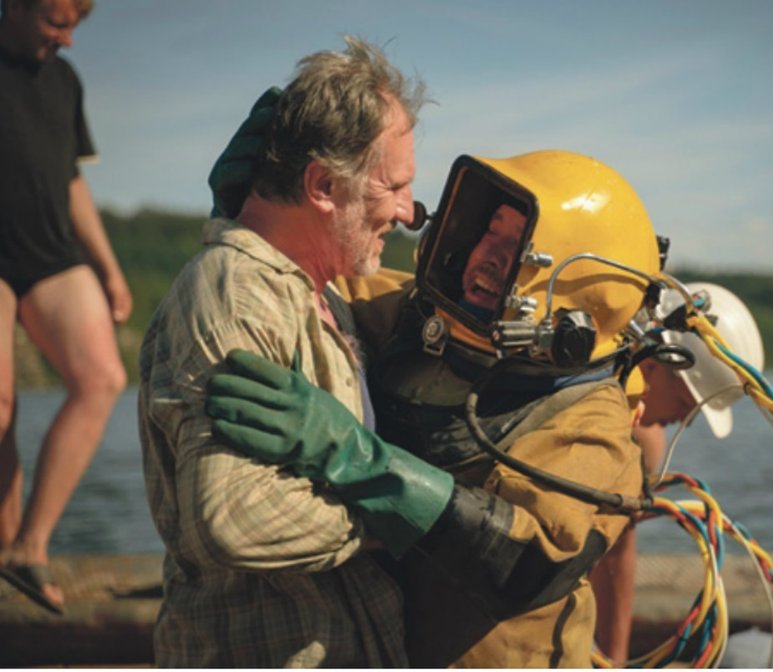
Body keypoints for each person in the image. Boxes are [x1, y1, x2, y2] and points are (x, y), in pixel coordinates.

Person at [205, 149, 673, 667]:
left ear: (576, 291)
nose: (486, 253)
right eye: (489, 229)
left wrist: (362, 462)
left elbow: (526, 564)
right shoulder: (424, 320)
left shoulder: (590, 420)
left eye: (516, 243)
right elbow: (313, 271)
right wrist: (255, 209)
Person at [137, 37, 430, 667]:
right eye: (397, 186)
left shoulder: (324, 294)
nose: (409, 212)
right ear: (324, 184)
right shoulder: (238, 292)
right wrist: (401, 514)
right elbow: (235, 517)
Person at [0, 0, 131, 616]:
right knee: (0, 399)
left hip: (51, 251)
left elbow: (72, 179)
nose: (69, 39)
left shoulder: (63, 80)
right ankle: (3, 551)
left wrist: (107, 267)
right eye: (57, 22)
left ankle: (29, 545)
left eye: (77, 26)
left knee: (102, 378)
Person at [590, 282, 766, 664]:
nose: (686, 420)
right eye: (687, 403)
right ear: (652, 364)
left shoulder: (645, 441)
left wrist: (614, 659)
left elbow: (617, 549)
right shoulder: (599, 407)